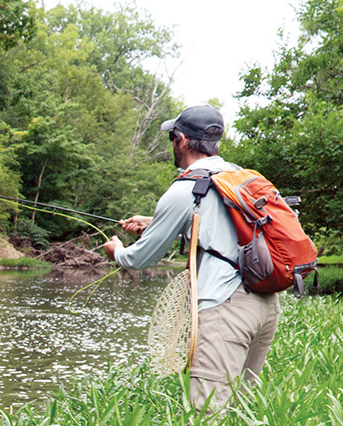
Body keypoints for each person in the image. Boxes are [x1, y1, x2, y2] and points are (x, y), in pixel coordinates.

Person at [102, 104, 280, 410]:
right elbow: (218, 227)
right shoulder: (238, 176)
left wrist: (116, 250)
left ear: (181, 140)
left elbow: (141, 258)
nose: (172, 142)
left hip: (225, 308)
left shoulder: (184, 189)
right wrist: (152, 222)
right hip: (266, 305)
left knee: (206, 415)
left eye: (172, 136)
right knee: (242, 407)